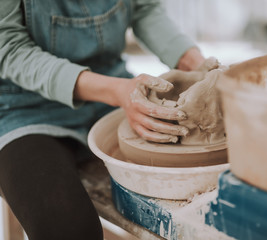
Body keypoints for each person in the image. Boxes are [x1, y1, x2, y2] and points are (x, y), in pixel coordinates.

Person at [0, 0, 208, 239]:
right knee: (69, 231)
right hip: (24, 106)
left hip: (113, 89)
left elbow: (143, 9)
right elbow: (8, 48)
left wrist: (197, 65)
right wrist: (117, 91)